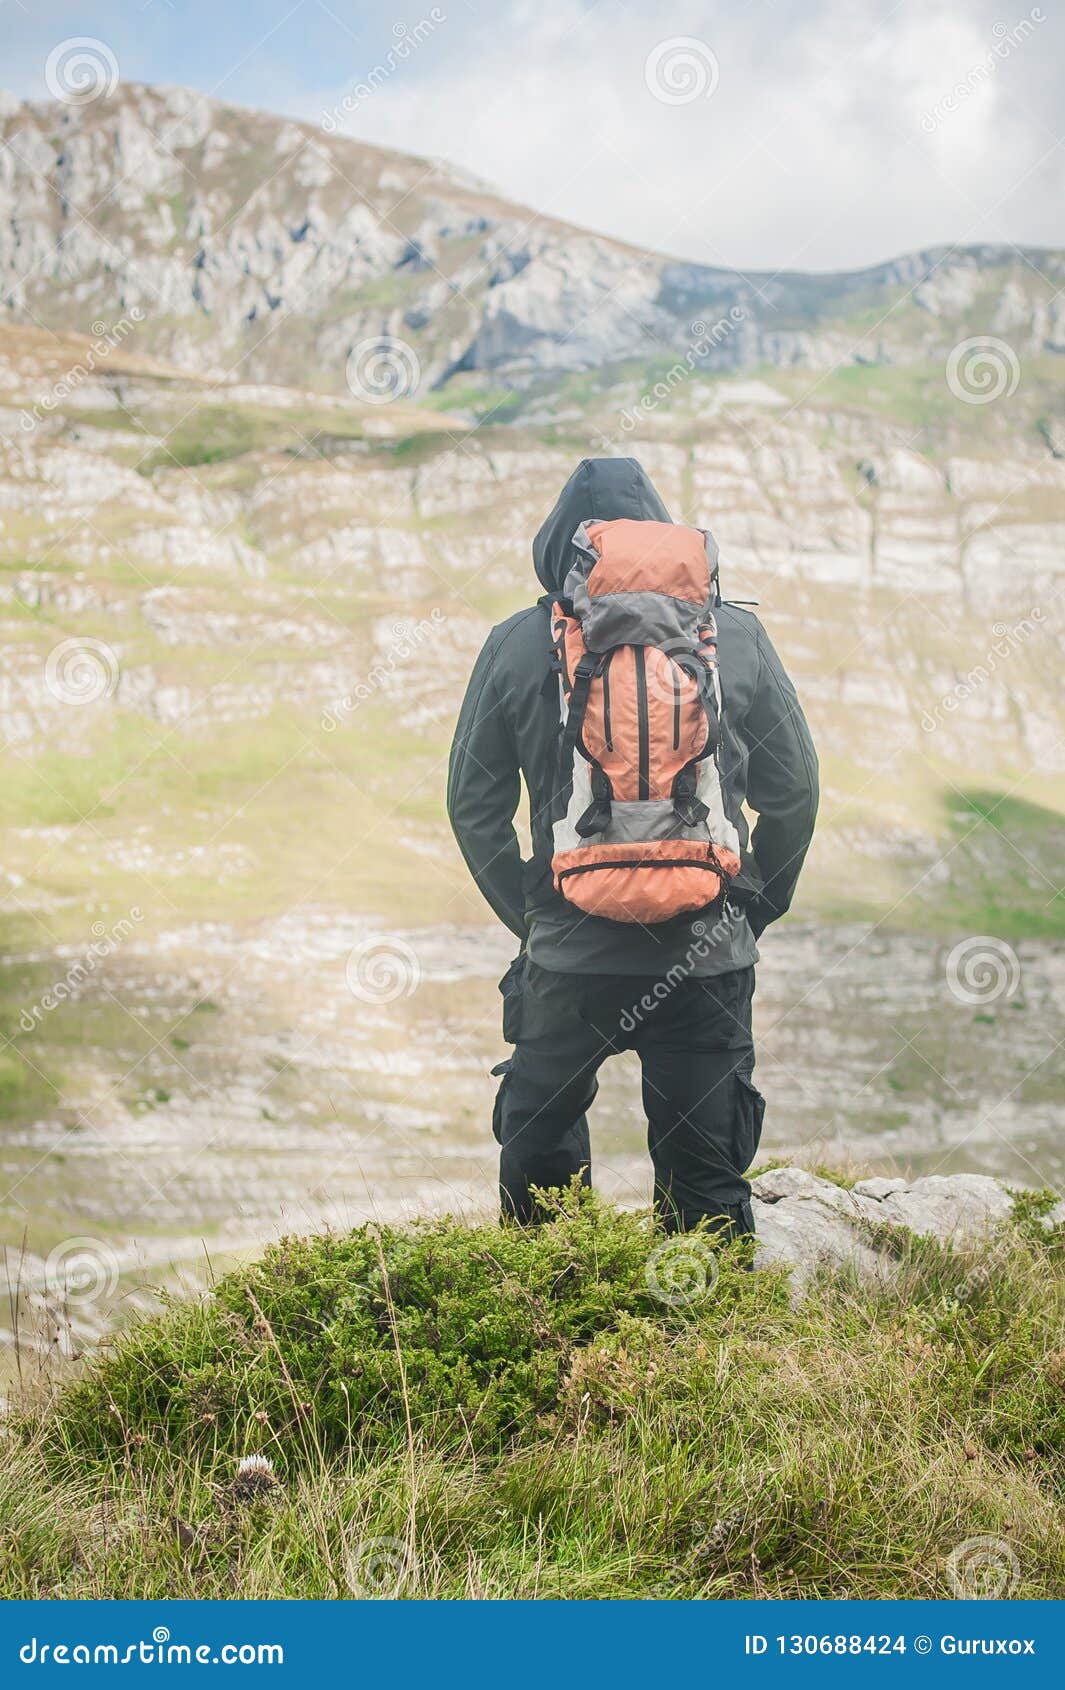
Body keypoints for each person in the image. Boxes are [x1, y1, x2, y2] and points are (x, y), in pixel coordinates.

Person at [447, 457, 818, 1238]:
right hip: (705, 954)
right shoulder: (733, 636)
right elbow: (793, 791)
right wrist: (752, 906)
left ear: (557, 548)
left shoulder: (516, 642)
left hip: (567, 961)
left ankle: (551, 1336)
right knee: (704, 1184)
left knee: (540, 1167)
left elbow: (474, 808)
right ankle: (702, 1349)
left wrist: (536, 915)